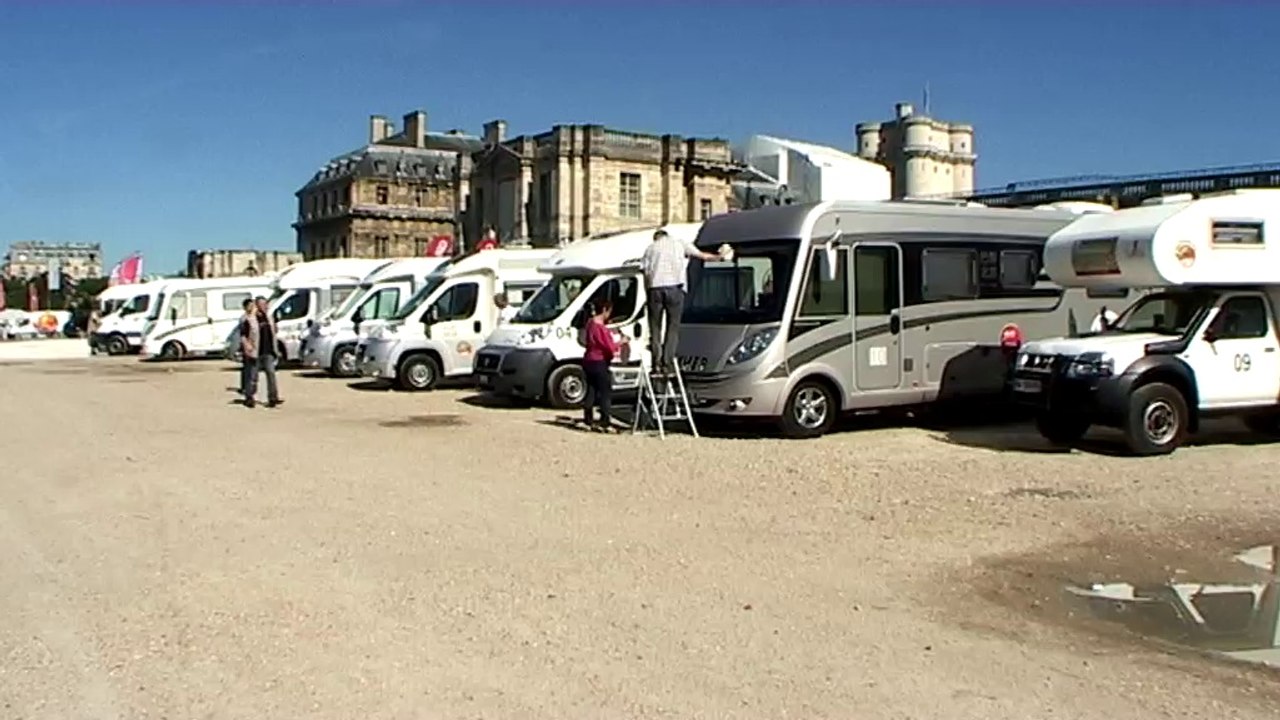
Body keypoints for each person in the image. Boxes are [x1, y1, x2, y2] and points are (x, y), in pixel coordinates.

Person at [640, 228, 721, 374]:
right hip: (674, 288)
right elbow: (702, 256)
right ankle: (667, 362)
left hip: (655, 289)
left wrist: (648, 293)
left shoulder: (650, 249)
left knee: (655, 327)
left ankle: (656, 363)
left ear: (656, 238)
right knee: (673, 327)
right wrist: (719, 257)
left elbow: (645, 272)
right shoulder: (679, 243)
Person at [581, 298, 626, 433]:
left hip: (588, 360)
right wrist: (621, 342)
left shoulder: (590, 323)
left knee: (591, 390)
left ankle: (587, 420)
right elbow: (609, 347)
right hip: (599, 361)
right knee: (605, 392)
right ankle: (605, 421)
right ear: (605, 310)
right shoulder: (600, 328)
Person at [241, 296, 283, 408]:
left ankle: (273, 398)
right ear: (257, 305)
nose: (265, 306)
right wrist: (247, 346)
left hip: (268, 351)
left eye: (266, 304)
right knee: (253, 376)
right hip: (256, 351)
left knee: (271, 374)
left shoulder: (269, 318)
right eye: (262, 304)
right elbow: (243, 335)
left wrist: (276, 348)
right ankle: (249, 397)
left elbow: (274, 332)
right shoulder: (250, 319)